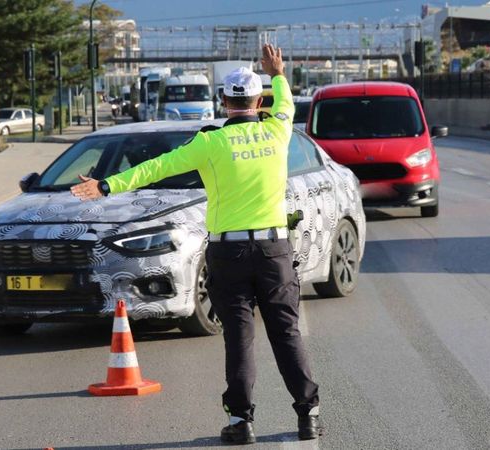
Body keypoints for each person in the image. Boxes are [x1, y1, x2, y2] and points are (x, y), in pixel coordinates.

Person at [71, 44, 322, 444]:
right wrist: (277, 72)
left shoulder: (209, 144)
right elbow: (286, 103)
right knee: (286, 332)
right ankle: (308, 414)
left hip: (229, 253)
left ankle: (241, 423)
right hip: (275, 251)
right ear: (259, 101)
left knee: (239, 337)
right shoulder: (278, 131)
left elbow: (157, 167)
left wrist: (106, 185)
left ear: (223, 101)